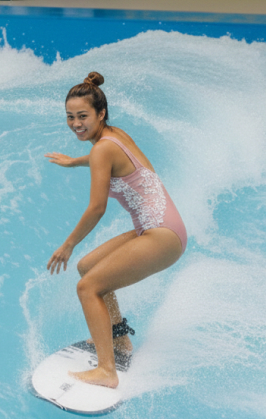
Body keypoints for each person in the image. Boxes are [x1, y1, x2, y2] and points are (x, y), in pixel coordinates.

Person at [45, 71, 187, 389]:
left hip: (160, 233)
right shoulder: (114, 136)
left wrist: (67, 245)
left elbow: (97, 207)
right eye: (70, 117)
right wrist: (74, 162)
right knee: (89, 268)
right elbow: (103, 158)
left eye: (83, 116)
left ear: (100, 113)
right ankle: (120, 341)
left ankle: (107, 371)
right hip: (163, 228)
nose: (76, 123)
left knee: (87, 288)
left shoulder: (101, 150)